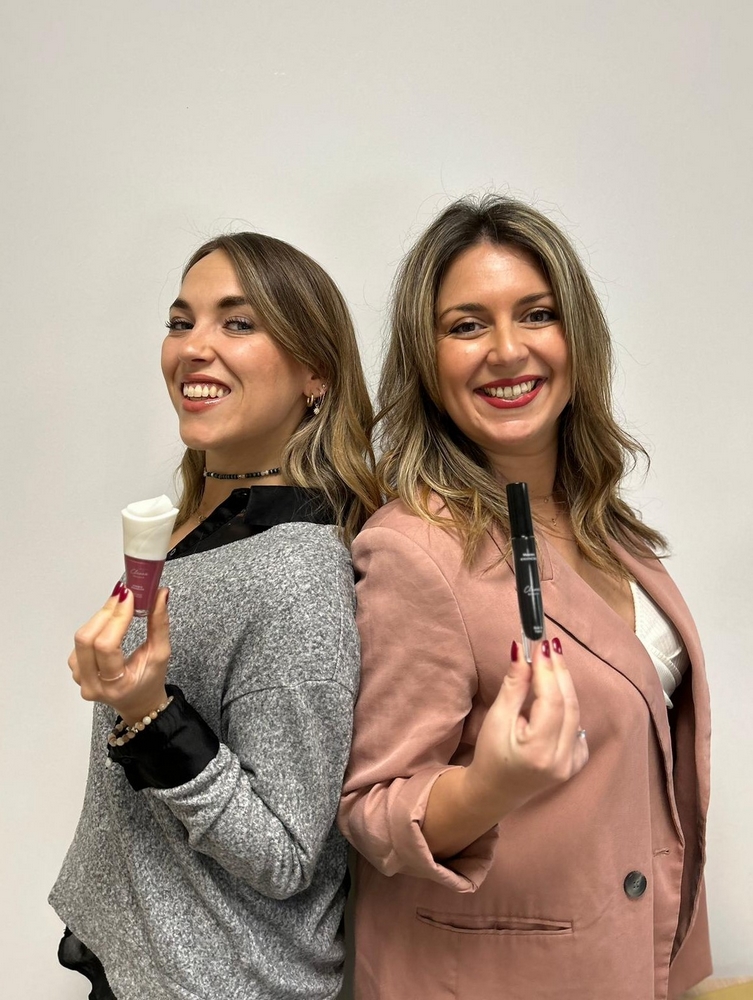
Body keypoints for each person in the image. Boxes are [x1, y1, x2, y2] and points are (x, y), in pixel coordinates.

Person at [338, 196, 711, 1000]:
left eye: (536, 314)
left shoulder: (605, 525)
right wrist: (490, 786)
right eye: (466, 325)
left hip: (628, 967)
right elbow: (371, 811)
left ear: (577, 337)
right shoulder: (413, 551)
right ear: (426, 359)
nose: (506, 351)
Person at [50, 232, 380, 1000]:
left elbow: (285, 854)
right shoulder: (197, 528)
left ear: (315, 373)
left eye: (237, 323)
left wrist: (149, 713)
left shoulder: (296, 572)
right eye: (181, 322)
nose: (194, 347)